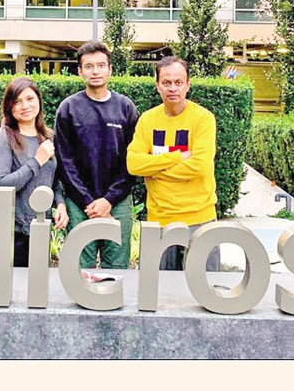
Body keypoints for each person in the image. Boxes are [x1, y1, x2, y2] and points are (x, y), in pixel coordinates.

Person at [126, 56, 219, 271]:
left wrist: (154, 169)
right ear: (157, 85)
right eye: (166, 83)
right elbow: (133, 163)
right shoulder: (147, 120)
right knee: (159, 295)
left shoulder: (203, 119)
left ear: (188, 85)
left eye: (178, 82)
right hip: (159, 221)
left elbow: (200, 166)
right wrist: (177, 157)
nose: (173, 88)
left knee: (205, 293)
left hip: (200, 219)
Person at [55, 41, 139, 270]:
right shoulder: (68, 108)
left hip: (118, 202)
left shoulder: (126, 108)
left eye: (101, 65)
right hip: (79, 202)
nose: (95, 71)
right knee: (80, 267)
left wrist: (109, 200)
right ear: (80, 71)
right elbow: (65, 161)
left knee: (117, 268)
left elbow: (132, 160)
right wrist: (88, 202)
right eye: (89, 66)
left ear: (110, 69)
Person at [0, 76, 68, 267]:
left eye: (30, 99)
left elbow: (54, 180)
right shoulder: (3, 137)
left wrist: (60, 204)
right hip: (9, 234)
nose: (25, 106)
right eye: (17, 101)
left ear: (38, 100)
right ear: (9, 107)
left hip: (39, 230)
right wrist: (36, 161)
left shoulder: (48, 137)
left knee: (34, 293)